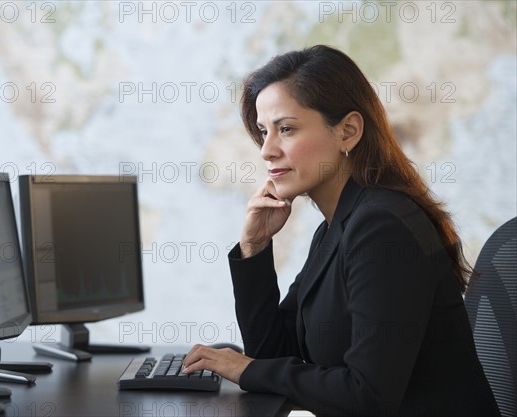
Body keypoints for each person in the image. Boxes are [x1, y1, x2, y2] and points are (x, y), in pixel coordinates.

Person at [182, 45, 500, 416]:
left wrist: (246, 368)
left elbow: (368, 397)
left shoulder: (382, 228)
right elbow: (273, 354)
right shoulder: (335, 229)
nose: (267, 150)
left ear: (347, 131)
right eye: (263, 131)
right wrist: (254, 246)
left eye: (286, 129)